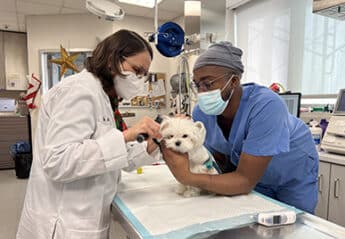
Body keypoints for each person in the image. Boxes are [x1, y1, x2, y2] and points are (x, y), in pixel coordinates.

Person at [17, 29, 161, 239]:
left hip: (86, 216)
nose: (139, 80)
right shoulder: (80, 90)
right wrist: (126, 136)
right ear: (113, 60)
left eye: (143, 75)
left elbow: (113, 157)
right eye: (137, 70)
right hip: (63, 221)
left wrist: (152, 144)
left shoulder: (106, 97)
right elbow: (57, 160)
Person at [161, 41, 319, 214]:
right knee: (255, 220)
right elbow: (218, 159)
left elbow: (244, 181)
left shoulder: (266, 105)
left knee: (295, 225)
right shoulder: (202, 113)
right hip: (250, 176)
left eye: (208, 83)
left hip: (291, 172)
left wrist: (188, 177)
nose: (201, 92)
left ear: (234, 81)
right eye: (197, 85)